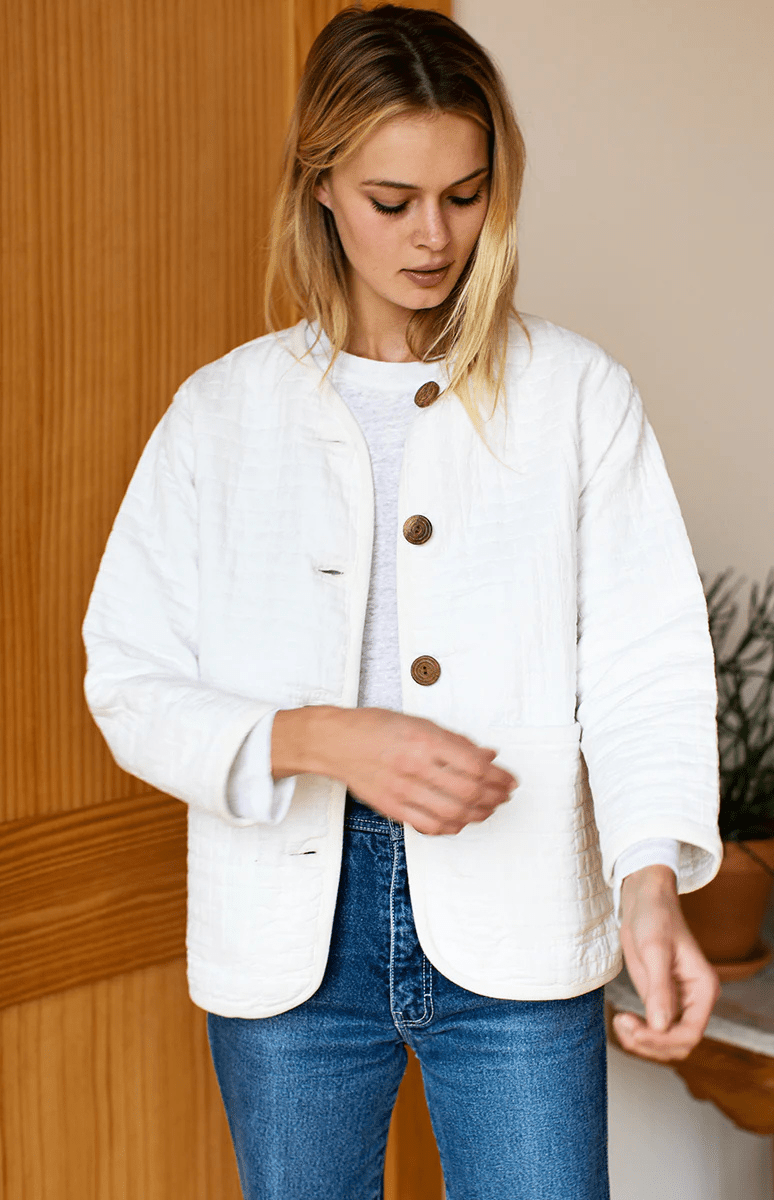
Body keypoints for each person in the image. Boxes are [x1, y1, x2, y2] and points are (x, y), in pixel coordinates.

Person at [81, 6, 723, 1198]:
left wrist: (648, 884)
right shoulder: (221, 413)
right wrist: (321, 737)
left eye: (465, 196)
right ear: (320, 184)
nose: (434, 237)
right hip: (286, 937)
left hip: (521, 914)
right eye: (392, 201)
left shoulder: (575, 395)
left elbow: (646, 664)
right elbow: (127, 677)